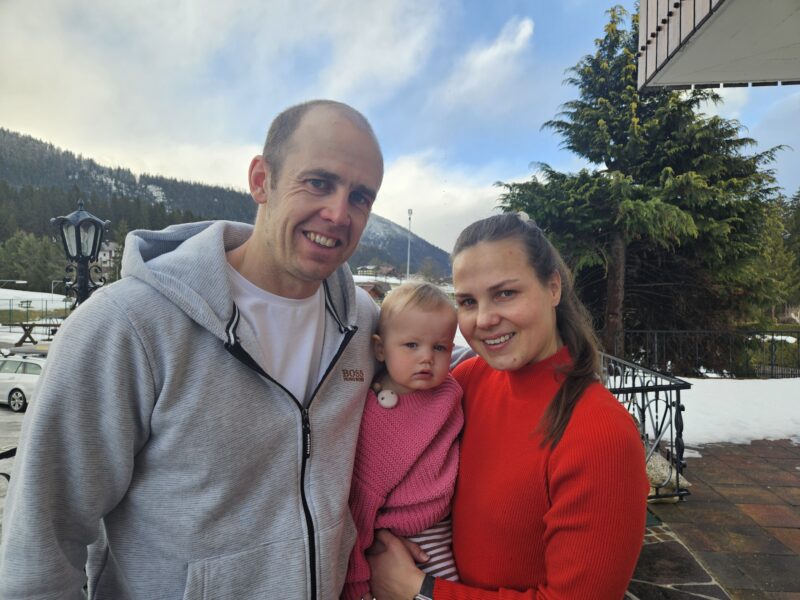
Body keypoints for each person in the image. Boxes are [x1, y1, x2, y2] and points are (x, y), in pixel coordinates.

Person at [0, 100, 385, 600]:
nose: (338, 213)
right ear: (261, 180)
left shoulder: (365, 323)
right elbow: (40, 547)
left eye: (360, 196)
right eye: (318, 183)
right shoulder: (128, 326)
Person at [368, 213, 649, 599]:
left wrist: (419, 590)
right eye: (468, 301)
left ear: (553, 288)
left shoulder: (601, 435)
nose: (484, 319)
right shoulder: (463, 384)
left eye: (505, 293)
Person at [343, 282, 463, 600]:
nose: (427, 358)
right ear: (380, 349)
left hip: (447, 530)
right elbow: (361, 504)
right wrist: (355, 584)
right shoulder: (374, 413)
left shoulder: (451, 392)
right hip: (394, 535)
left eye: (440, 348)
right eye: (411, 345)